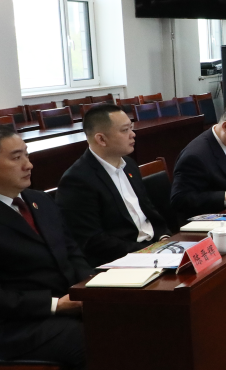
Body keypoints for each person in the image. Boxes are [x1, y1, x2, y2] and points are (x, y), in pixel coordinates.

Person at [0, 124, 97, 370]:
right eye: (16, 157)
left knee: (128, 319)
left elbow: (72, 251)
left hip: (63, 306)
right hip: (11, 326)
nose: (29, 164)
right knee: (98, 340)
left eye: (27, 155)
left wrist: (88, 288)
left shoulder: (39, 200)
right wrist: (56, 305)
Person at [56, 104, 171, 266]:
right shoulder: (77, 180)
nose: (133, 134)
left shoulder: (129, 165)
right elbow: (92, 241)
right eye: (125, 130)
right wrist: (146, 252)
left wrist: (164, 237)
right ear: (101, 139)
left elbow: (148, 210)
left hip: (153, 248)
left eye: (131, 128)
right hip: (121, 259)